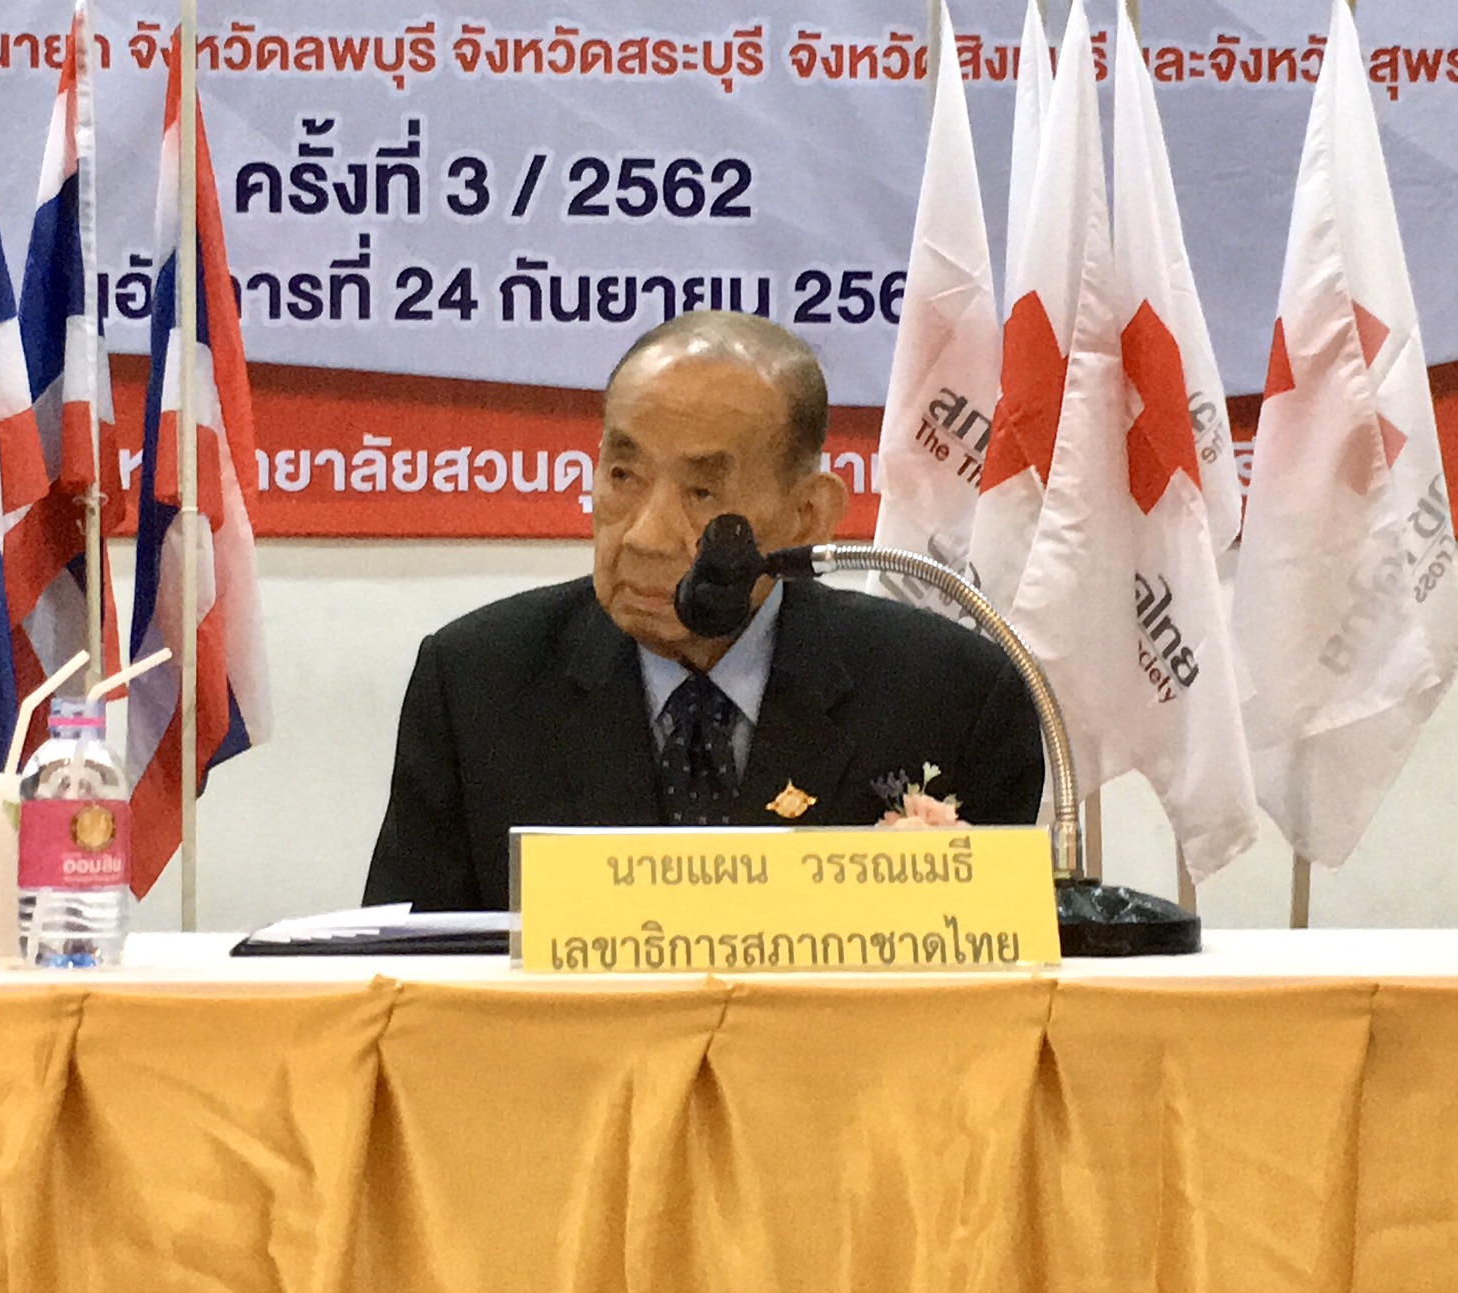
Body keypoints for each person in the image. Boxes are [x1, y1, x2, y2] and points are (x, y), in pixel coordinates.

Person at [363, 312, 1045, 910]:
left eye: (702, 494)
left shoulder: (950, 695)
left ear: (807, 514)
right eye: (623, 477)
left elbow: (1004, 984)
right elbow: (400, 972)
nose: (643, 536)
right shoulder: (477, 684)